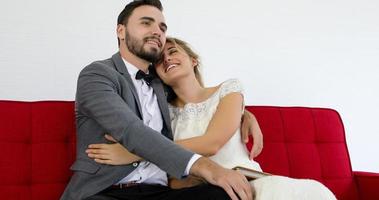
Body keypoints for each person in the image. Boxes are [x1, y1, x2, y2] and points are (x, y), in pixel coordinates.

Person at [87, 37, 337, 200]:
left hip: (248, 183)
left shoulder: (228, 90)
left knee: (311, 193)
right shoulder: (163, 116)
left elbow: (213, 142)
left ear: (193, 60)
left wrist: (139, 150)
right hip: (203, 191)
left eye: (173, 52)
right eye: (161, 60)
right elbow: (171, 179)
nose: (168, 59)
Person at [61, 1, 261, 200]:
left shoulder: (162, 84)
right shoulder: (97, 75)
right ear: (121, 31)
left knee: (223, 195)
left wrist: (243, 113)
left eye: (162, 27)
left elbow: (196, 100)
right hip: (106, 191)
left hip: (161, 192)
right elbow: (131, 130)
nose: (157, 31)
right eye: (146, 23)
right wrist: (206, 167)